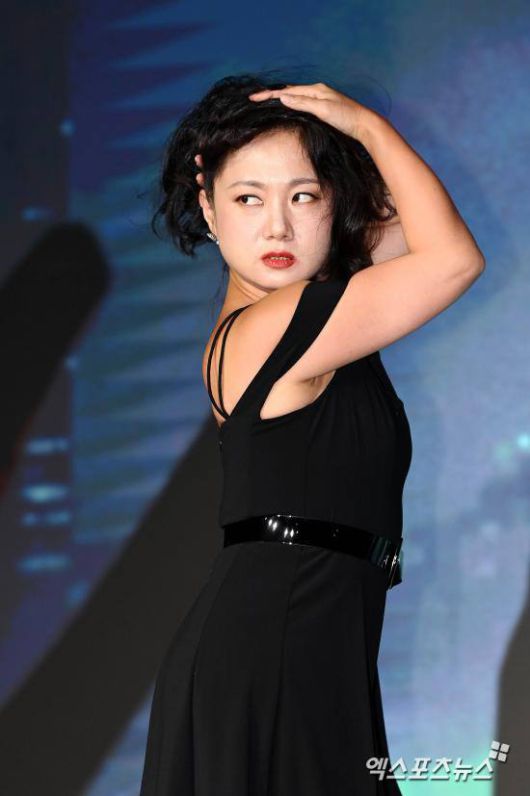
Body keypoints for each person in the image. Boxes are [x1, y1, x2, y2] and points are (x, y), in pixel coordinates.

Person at [138, 73, 485, 796]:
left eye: (302, 196)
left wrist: (342, 166)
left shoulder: (310, 313)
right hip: (277, 648)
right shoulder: (277, 326)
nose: (277, 228)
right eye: (247, 199)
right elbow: (452, 258)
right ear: (207, 208)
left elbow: (411, 230)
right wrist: (366, 128)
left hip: (311, 640)